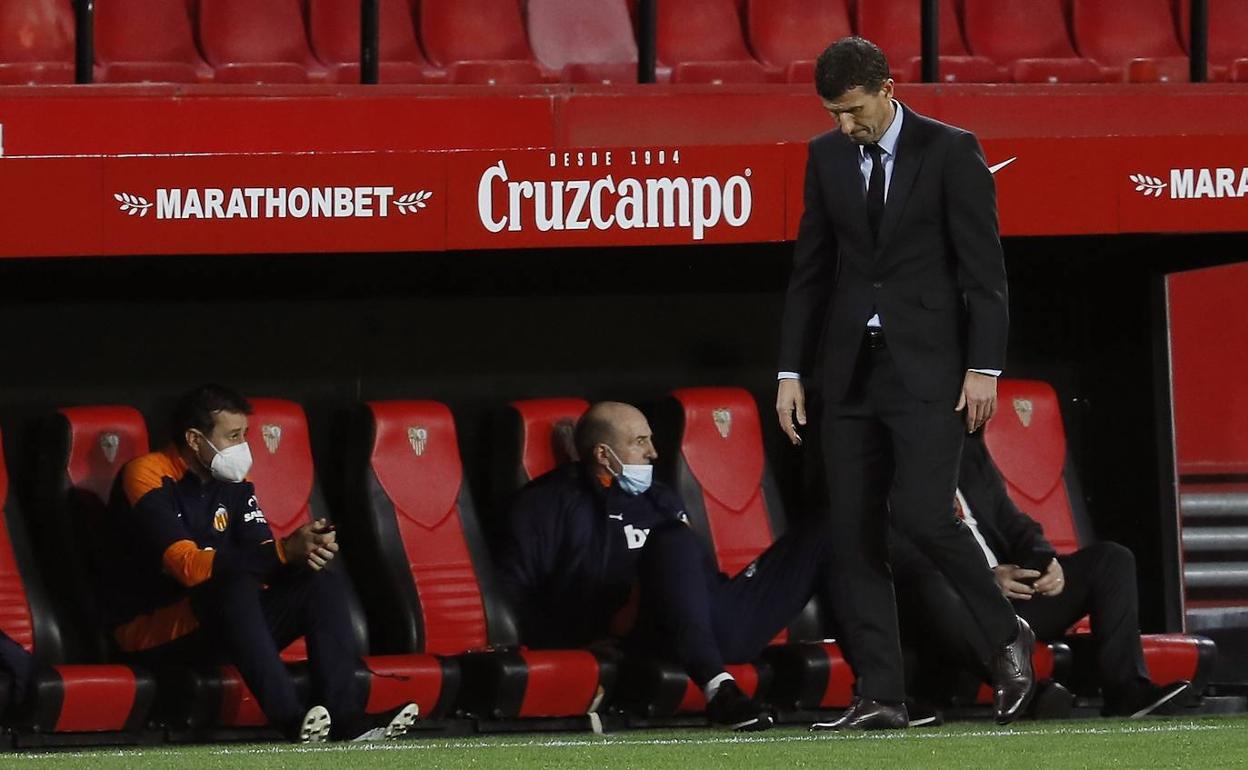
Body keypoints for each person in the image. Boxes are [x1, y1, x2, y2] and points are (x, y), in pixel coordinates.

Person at [774, 36, 1034, 730]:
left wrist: (985, 369)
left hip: (932, 372)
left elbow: (986, 274)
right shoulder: (825, 157)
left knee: (921, 515)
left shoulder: (951, 150)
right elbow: (811, 272)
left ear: (886, 89)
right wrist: (791, 371)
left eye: (853, 110)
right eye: (832, 113)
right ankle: (881, 695)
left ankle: (1007, 634)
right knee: (854, 535)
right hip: (849, 372)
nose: (843, 126)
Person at [497, 401, 841, 732]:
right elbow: (517, 590)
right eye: (639, 442)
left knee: (829, 528)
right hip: (642, 634)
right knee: (673, 539)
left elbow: (695, 572)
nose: (653, 452)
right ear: (603, 454)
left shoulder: (660, 497)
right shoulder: (545, 503)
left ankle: (875, 688)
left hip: (716, 624)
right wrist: (577, 640)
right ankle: (718, 689)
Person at [101, 384, 417, 743]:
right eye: (233, 436)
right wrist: (282, 552)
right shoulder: (146, 474)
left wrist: (305, 550)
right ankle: (290, 719)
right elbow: (186, 566)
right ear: (193, 439)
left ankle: (346, 718)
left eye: (245, 435)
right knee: (233, 586)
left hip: (222, 624)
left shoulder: (234, 482)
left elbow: (262, 552)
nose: (242, 447)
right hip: (153, 633)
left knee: (320, 582)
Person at [892, 435, 1191, 718]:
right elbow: (901, 555)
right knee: (932, 586)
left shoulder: (967, 452)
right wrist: (983, 578)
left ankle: (1127, 691)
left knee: (1112, 559)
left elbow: (1013, 521)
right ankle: (1023, 688)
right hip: (955, 605)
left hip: (1012, 596)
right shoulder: (885, 465)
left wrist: (1044, 559)